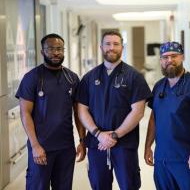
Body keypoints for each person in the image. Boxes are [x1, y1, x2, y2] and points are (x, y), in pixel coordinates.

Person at [77, 30, 151, 190]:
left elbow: (138, 111)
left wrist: (115, 135)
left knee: (129, 185)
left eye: (116, 44)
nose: (112, 47)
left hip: (125, 144)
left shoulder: (134, 77)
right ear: (101, 47)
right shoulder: (89, 78)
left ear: (122, 47)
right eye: (108, 44)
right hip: (97, 144)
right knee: (99, 185)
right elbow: (82, 110)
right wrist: (98, 134)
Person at [15, 33, 86, 190]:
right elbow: (25, 113)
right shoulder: (32, 78)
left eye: (59, 49)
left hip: (66, 147)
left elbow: (79, 113)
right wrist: (35, 145)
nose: (56, 53)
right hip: (41, 146)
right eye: (51, 49)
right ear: (42, 52)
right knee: (37, 186)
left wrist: (82, 140)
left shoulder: (72, 78)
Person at [144, 41, 190, 190]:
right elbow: (154, 117)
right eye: (165, 57)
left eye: (174, 56)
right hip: (162, 158)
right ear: (161, 60)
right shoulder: (158, 86)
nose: (169, 60)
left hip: (187, 158)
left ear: (182, 57)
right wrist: (148, 145)